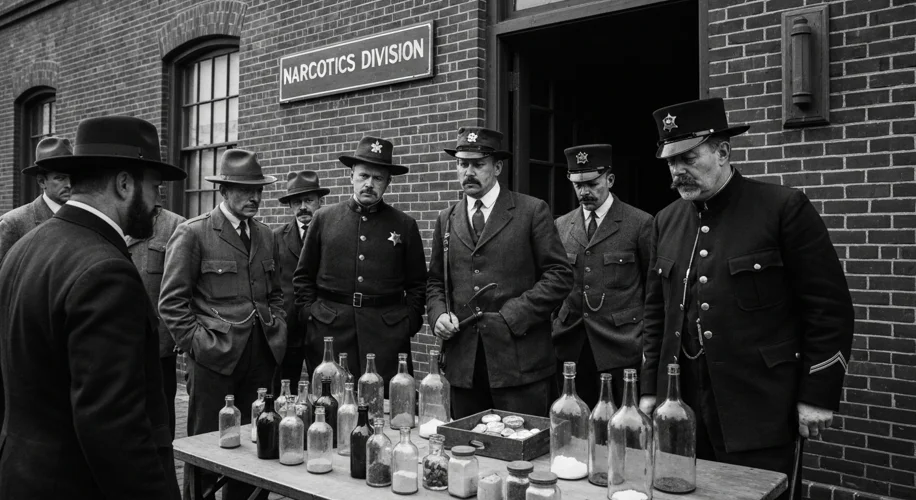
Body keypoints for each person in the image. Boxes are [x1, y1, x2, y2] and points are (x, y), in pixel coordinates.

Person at [638, 98, 854, 500]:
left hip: (759, 401)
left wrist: (817, 394)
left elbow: (829, 309)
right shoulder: (666, 220)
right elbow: (656, 313)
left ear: (722, 152)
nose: (677, 171)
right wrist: (650, 388)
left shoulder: (782, 209)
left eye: (688, 158)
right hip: (681, 403)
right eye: (670, 162)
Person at [0, 116, 184, 499]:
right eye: (154, 188)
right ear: (123, 184)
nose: (157, 204)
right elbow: (114, 425)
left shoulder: (25, 249)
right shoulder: (107, 271)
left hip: (21, 474)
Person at [159, 149, 286, 500]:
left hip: (261, 357)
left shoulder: (265, 235)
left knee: (256, 441)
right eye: (246, 190)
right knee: (205, 447)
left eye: (258, 189)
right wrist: (201, 346)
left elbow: (275, 294)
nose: (255, 197)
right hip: (215, 360)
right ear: (224, 191)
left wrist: (278, 329)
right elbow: (171, 304)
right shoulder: (194, 233)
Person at [427, 127, 573, 418]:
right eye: (462, 164)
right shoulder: (446, 219)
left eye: (478, 164)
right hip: (464, 364)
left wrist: (515, 314)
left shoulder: (531, 211)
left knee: (524, 450)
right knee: (468, 449)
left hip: (519, 361)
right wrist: (438, 315)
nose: (468, 171)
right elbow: (434, 282)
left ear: (497, 167)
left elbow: (560, 275)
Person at [293, 136, 427, 391]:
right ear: (351, 176)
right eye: (364, 175)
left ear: (388, 182)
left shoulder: (404, 225)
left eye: (378, 178)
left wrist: (408, 322)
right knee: (329, 404)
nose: (369, 184)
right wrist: (311, 316)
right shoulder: (324, 218)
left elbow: (418, 283)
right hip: (330, 332)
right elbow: (303, 277)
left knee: (384, 405)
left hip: (386, 336)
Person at [551, 144, 653, 408]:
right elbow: (552, 282)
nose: (584, 192)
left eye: (593, 183)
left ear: (609, 179)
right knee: (573, 424)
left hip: (620, 345)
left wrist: (647, 347)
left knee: (622, 426)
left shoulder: (640, 223)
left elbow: (653, 289)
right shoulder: (561, 226)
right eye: (578, 185)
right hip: (571, 345)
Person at [126, 202, 186, 438]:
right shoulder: (111, 216)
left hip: (158, 343)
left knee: (160, 416)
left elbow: (184, 284)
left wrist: (181, 333)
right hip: (117, 341)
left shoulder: (174, 225)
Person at [273, 170, 329, 389]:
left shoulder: (332, 234)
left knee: (325, 386)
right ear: (290, 206)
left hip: (322, 325)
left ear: (320, 201)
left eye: (308, 200)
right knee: (284, 387)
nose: (303, 207)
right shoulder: (276, 237)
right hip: (288, 328)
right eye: (297, 202)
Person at [0, 136, 72, 263]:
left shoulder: (83, 217)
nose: (69, 185)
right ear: (41, 181)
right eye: (60, 178)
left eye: (72, 178)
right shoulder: (14, 223)